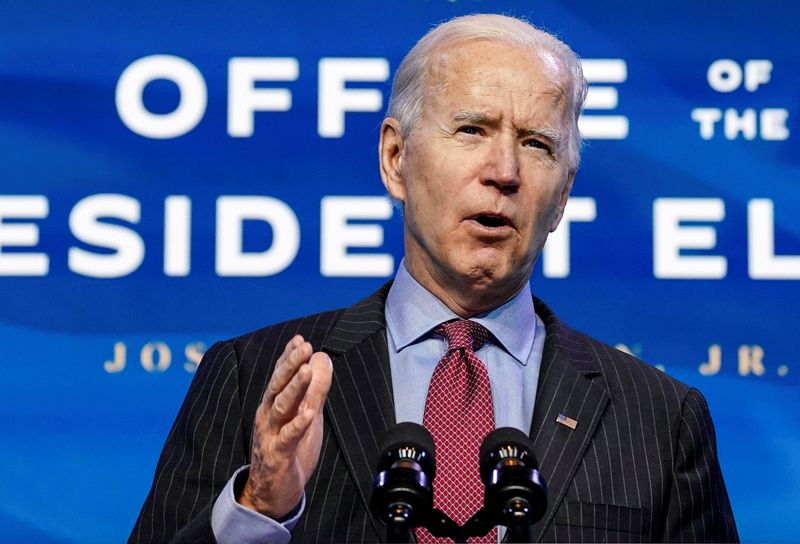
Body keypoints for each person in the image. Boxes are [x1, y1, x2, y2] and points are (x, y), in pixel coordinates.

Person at [129, 13, 738, 544]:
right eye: (472, 129)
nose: (504, 171)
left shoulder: (659, 419)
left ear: (563, 196)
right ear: (395, 159)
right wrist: (261, 507)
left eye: (536, 144)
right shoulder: (250, 380)